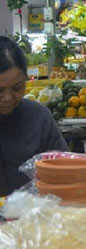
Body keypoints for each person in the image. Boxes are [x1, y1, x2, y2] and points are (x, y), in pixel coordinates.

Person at [0, 37, 67, 197]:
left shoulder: (38, 118)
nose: (8, 97)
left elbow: (64, 172)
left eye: (17, 87)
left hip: (34, 218)